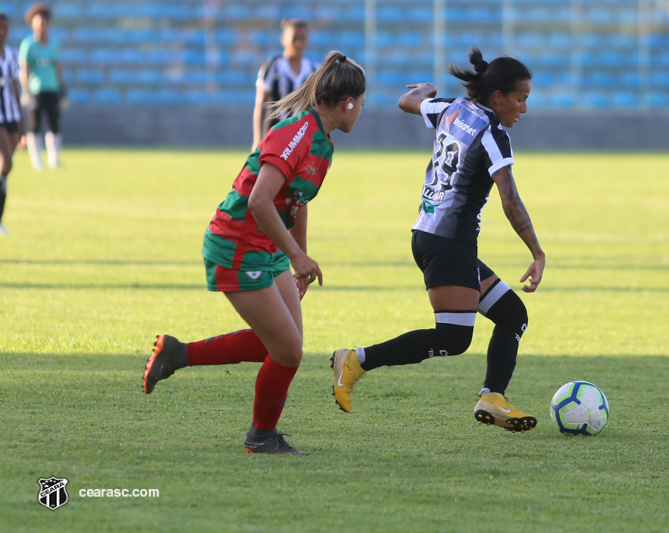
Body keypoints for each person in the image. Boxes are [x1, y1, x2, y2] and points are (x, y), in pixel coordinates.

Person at [142, 51, 366, 455]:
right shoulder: (297, 133)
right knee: (288, 351)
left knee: (281, 344)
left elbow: (296, 200)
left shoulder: (323, 142)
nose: (361, 111)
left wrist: (300, 256)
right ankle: (260, 436)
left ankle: (177, 354)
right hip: (237, 245)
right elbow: (260, 202)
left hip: (266, 246)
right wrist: (296, 257)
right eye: (362, 103)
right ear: (348, 102)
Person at [332, 47, 545, 433]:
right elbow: (510, 199)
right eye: (520, 99)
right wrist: (537, 251)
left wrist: (427, 91)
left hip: (431, 236)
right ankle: (356, 360)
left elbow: (406, 101)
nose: (524, 108)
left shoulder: (449, 109)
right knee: (454, 337)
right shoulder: (493, 134)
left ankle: (493, 397)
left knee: (512, 314)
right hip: (449, 243)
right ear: (498, 97)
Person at [252, 18, 319, 151]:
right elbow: (261, 105)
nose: (299, 43)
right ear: (283, 39)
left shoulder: (314, 69)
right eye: (295, 38)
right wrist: (257, 140)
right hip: (276, 137)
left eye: (302, 39)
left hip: (304, 139)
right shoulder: (272, 67)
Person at [19, 2, 65, 170]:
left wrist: (62, 88)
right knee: (35, 125)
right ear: (32, 22)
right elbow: (24, 68)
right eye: (39, 20)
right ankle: (36, 161)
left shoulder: (53, 43)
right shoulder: (28, 45)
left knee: (54, 124)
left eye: (45, 21)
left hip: (51, 88)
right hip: (35, 90)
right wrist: (26, 90)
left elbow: (58, 66)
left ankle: (54, 159)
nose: (42, 24)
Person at [0, 13, 25, 236]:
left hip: (11, 115)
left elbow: (15, 89)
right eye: (0, 27)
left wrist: (22, 121)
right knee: (6, 163)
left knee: (4, 172)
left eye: (6, 27)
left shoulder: (12, 55)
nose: (3, 31)